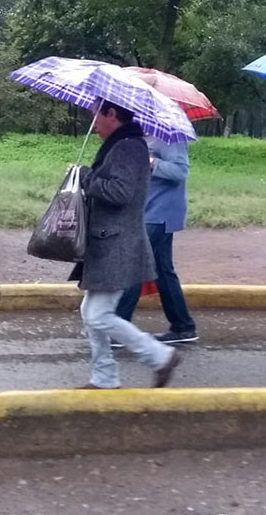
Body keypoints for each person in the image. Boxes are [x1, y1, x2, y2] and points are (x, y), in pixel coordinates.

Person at [71, 100, 182, 389]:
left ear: (112, 114)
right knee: (90, 312)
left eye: (97, 113)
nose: (93, 119)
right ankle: (104, 377)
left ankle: (160, 356)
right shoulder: (121, 143)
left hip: (117, 244)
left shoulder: (129, 146)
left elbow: (120, 192)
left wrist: (86, 177)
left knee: (98, 314)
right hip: (108, 242)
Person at [113, 135, 198, 345]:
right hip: (149, 211)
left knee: (134, 263)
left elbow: (181, 171)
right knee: (163, 272)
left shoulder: (171, 138)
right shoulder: (145, 136)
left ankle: (117, 329)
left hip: (161, 213)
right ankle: (183, 326)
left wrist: (150, 161)